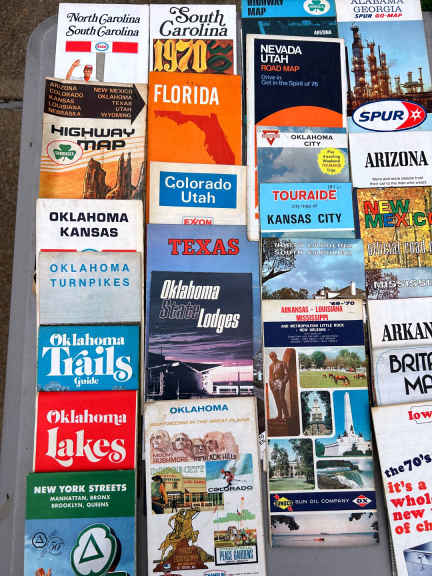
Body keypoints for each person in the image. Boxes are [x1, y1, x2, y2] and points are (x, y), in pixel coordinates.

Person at [268, 351, 290, 421]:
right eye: (271, 357)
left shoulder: (282, 363)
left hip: (280, 382)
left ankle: (286, 415)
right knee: (277, 400)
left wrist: (283, 382)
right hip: (273, 384)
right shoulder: (271, 366)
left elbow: (287, 374)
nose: (272, 358)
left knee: (281, 399)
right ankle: (279, 415)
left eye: (273, 356)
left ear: (276, 355)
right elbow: (270, 377)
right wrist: (271, 384)